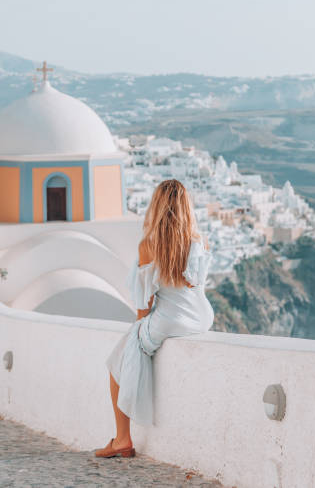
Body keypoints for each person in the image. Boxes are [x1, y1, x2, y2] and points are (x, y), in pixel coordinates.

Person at [94, 178, 214, 458]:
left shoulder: (149, 245)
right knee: (128, 353)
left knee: (116, 364)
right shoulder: (199, 241)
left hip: (170, 319)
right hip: (202, 316)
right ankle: (121, 438)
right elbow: (197, 285)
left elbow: (144, 300)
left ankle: (122, 438)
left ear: (157, 207)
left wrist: (138, 329)